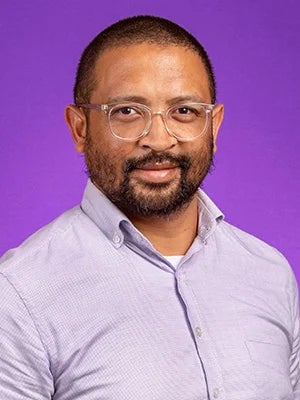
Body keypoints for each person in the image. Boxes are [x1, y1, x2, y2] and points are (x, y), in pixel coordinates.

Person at [0, 15, 299, 400]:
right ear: (80, 128)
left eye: (184, 111)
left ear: (215, 125)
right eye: (126, 111)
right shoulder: (19, 295)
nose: (159, 140)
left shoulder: (270, 274)